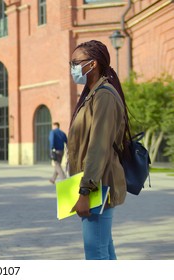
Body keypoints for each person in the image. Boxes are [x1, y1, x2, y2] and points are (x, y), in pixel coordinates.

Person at [67, 40, 129, 260]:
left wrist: (85, 192)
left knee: (96, 253)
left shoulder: (103, 96)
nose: (72, 68)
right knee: (103, 248)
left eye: (76, 63)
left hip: (98, 186)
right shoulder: (93, 94)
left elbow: (98, 147)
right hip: (94, 183)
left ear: (92, 64)